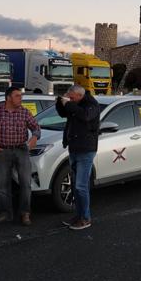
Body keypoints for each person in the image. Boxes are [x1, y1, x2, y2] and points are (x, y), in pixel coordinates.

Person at [0, 87, 40, 226]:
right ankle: (5, 213)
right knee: (3, 185)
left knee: (26, 183)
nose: (20, 98)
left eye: (20, 96)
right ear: (8, 97)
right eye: (17, 96)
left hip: (21, 150)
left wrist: (34, 137)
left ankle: (25, 213)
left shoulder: (24, 112)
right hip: (2, 152)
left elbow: (36, 127)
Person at [55, 84, 100, 230]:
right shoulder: (76, 104)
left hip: (86, 150)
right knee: (75, 185)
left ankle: (86, 218)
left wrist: (69, 104)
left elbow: (85, 116)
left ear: (80, 95)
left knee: (81, 186)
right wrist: (60, 102)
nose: (69, 98)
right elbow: (63, 114)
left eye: (71, 96)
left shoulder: (91, 105)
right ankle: (78, 215)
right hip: (74, 148)